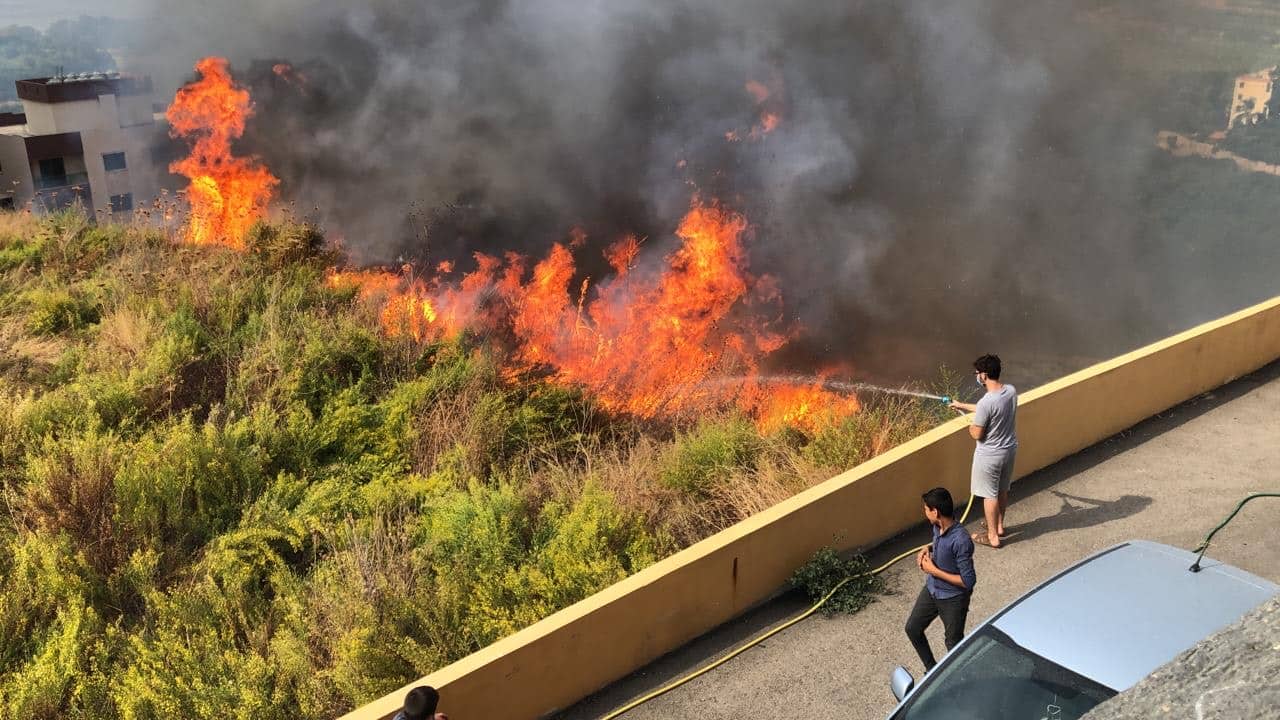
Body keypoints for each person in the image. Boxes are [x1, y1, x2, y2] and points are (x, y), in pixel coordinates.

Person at [949, 354, 1018, 548]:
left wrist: (970, 426)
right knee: (1002, 489)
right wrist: (960, 405)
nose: (977, 376)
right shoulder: (1010, 392)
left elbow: (977, 434)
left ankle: (992, 536)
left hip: (989, 457)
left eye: (977, 373)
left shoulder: (987, 402)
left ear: (985, 375)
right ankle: (999, 526)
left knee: (990, 495)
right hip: (1009, 450)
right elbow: (985, 409)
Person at [904, 487, 976, 672]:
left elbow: (968, 581)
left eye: (926, 509)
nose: (924, 512)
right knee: (912, 628)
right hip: (932, 590)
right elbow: (939, 545)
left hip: (953, 599)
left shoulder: (961, 540)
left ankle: (960, 678)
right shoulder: (937, 527)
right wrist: (927, 548)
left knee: (953, 645)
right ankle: (932, 670)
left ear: (935, 511)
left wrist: (933, 570)